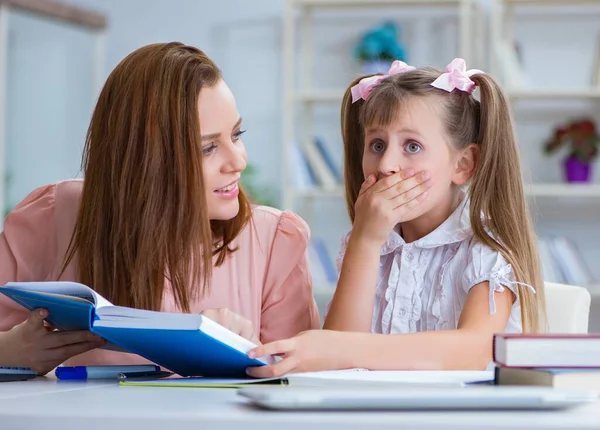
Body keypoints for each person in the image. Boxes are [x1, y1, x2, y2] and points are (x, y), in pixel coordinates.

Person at [0, 42, 320, 375]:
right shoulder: (52, 215)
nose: (238, 160)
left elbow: (301, 388)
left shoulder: (275, 241)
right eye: (208, 148)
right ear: (146, 161)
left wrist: (246, 351)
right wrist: (12, 350)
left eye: (236, 134)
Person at [246, 58, 545, 378]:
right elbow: (335, 368)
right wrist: (365, 240)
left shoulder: (486, 247)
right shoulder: (368, 241)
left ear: (463, 164)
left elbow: (473, 349)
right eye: (377, 144)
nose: (386, 163)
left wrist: (341, 349)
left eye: (412, 146)